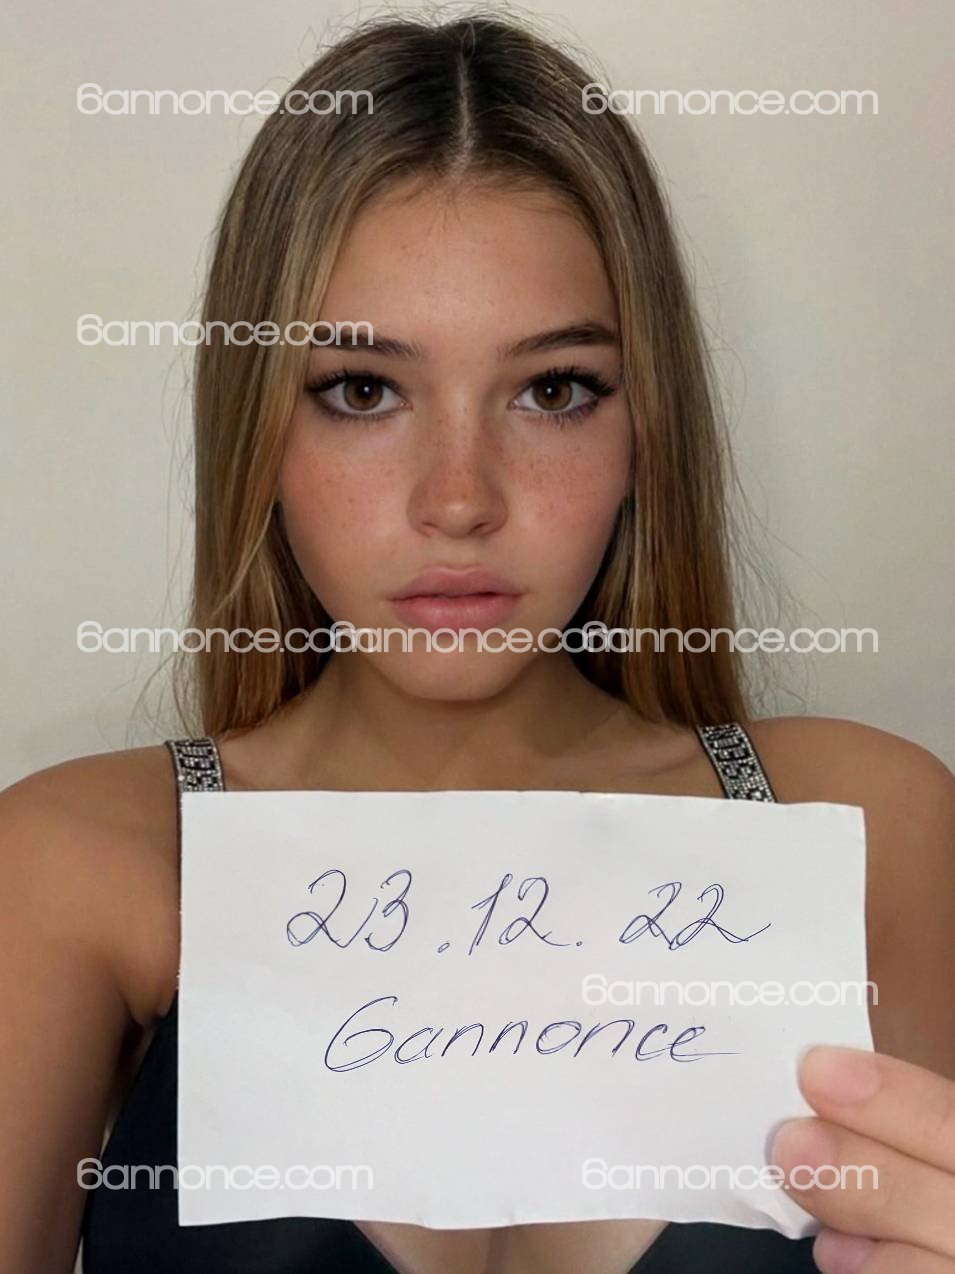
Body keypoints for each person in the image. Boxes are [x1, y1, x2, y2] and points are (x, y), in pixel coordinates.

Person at [2, 12, 953, 1274]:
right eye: (362, 389)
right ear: (256, 428)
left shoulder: (865, 820)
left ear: (644, 427)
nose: (459, 499)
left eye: (554, 389)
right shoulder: (83, 863)